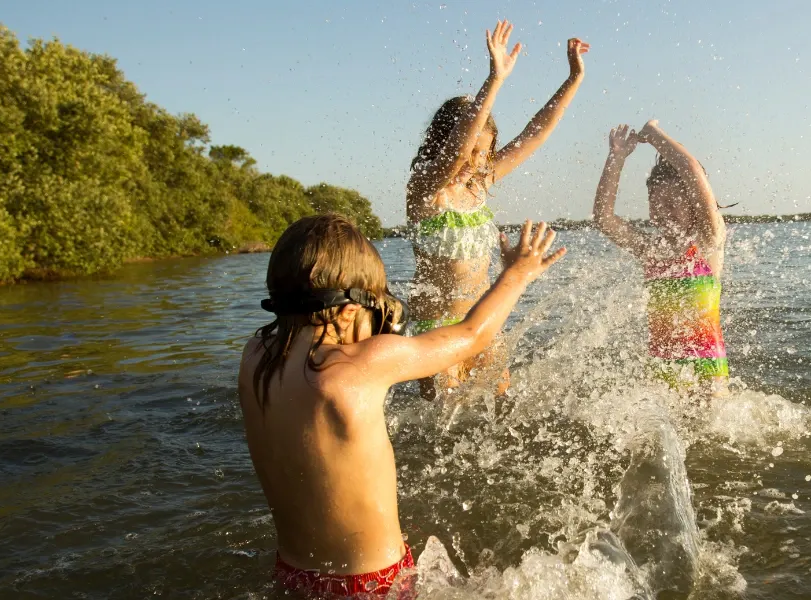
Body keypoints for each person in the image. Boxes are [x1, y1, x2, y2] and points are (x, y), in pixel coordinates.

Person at [237, 214, 565, 597]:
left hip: (293, 574)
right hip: (370, 583)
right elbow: (472, 335)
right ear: (347, 309)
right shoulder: (359, 365)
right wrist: (517, 274)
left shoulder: (254, 357)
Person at [405, 19, 589, 400]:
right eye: (471, 150)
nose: (475, 161)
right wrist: (494, 80)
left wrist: (573, 80)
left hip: (482, 322)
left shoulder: (480, 184)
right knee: (445, 422)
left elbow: (534, 135)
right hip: (436, 328)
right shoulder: (424, 189)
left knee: (502, 409)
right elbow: (456, 153)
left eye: (484, 152)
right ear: (442, 143)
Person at [592, 120, 729, 396]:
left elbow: (691, 171)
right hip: (662, 369)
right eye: (656, 202)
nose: (663, 211)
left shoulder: (707, 241)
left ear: (694, 204)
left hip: (707, 371)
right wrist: (616, 157)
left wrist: (654, 134)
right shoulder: (650, 250)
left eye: (673, 202)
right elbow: (603, 218)